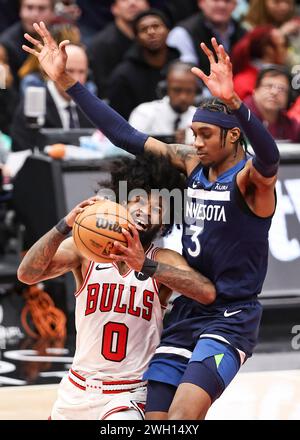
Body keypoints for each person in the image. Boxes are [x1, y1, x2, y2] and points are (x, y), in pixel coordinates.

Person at [23, 22, 280, 419]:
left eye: (205, 134)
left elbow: (269, 158)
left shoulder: (249, 182)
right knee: (156, 421)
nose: (194, 142)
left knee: (180, 419)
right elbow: (122, 133)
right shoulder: (192, 162)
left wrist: (236, 105)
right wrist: (67, 83)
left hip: (230, 313)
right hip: (188, 308)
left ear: (231, 137)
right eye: (193, 133)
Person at [17, 153, 216, 420]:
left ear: (165, 222)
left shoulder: (162, 260)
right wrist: (63, 226)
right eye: (138, 201)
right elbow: (27, 274)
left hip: (127, 395)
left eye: (157, 208)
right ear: (120, 203)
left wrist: (143, 264)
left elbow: (206, 292)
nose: (145, 210)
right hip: (76, 389)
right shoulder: (85, 251)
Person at [11, 43, 94, 152]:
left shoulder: (90, 105)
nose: (76, 79)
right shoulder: (32, 106)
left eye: (82, 72)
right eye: (69, 71)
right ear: (54, 71)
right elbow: (21, 151)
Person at [106, 8, 179, 120]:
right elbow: (118, 121)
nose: (151, 32)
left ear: (168, 30)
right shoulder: (123, 75)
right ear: (136, 37)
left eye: (156, 26)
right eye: (144, 29)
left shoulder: (180, 68)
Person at [89, 0, 149, 99]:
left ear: (147, 5)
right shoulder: (101, 45)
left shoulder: (154, 41)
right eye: (124, 0)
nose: (132, 3)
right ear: (114, 8)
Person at [166, 0, 246, 74]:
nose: (222, 5)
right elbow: (184, 77)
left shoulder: (244, 33)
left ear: (235, 4)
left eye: (227, 1)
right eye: (215, 0)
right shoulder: (182, 34)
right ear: (201, 2)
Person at [129, 60, 199, 144]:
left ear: (197, 91)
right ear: (165, 89)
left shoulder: (201, 119)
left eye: (189, 91)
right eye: (177, 90)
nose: (183, 97)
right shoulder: (144, 113)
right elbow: (131, 146)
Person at [244, 66, 300, 142]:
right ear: (255, 90)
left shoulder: (291, 126)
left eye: (281, 89)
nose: (274, 92)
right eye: (268, 86)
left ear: (288, 97)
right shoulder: (240, 117)